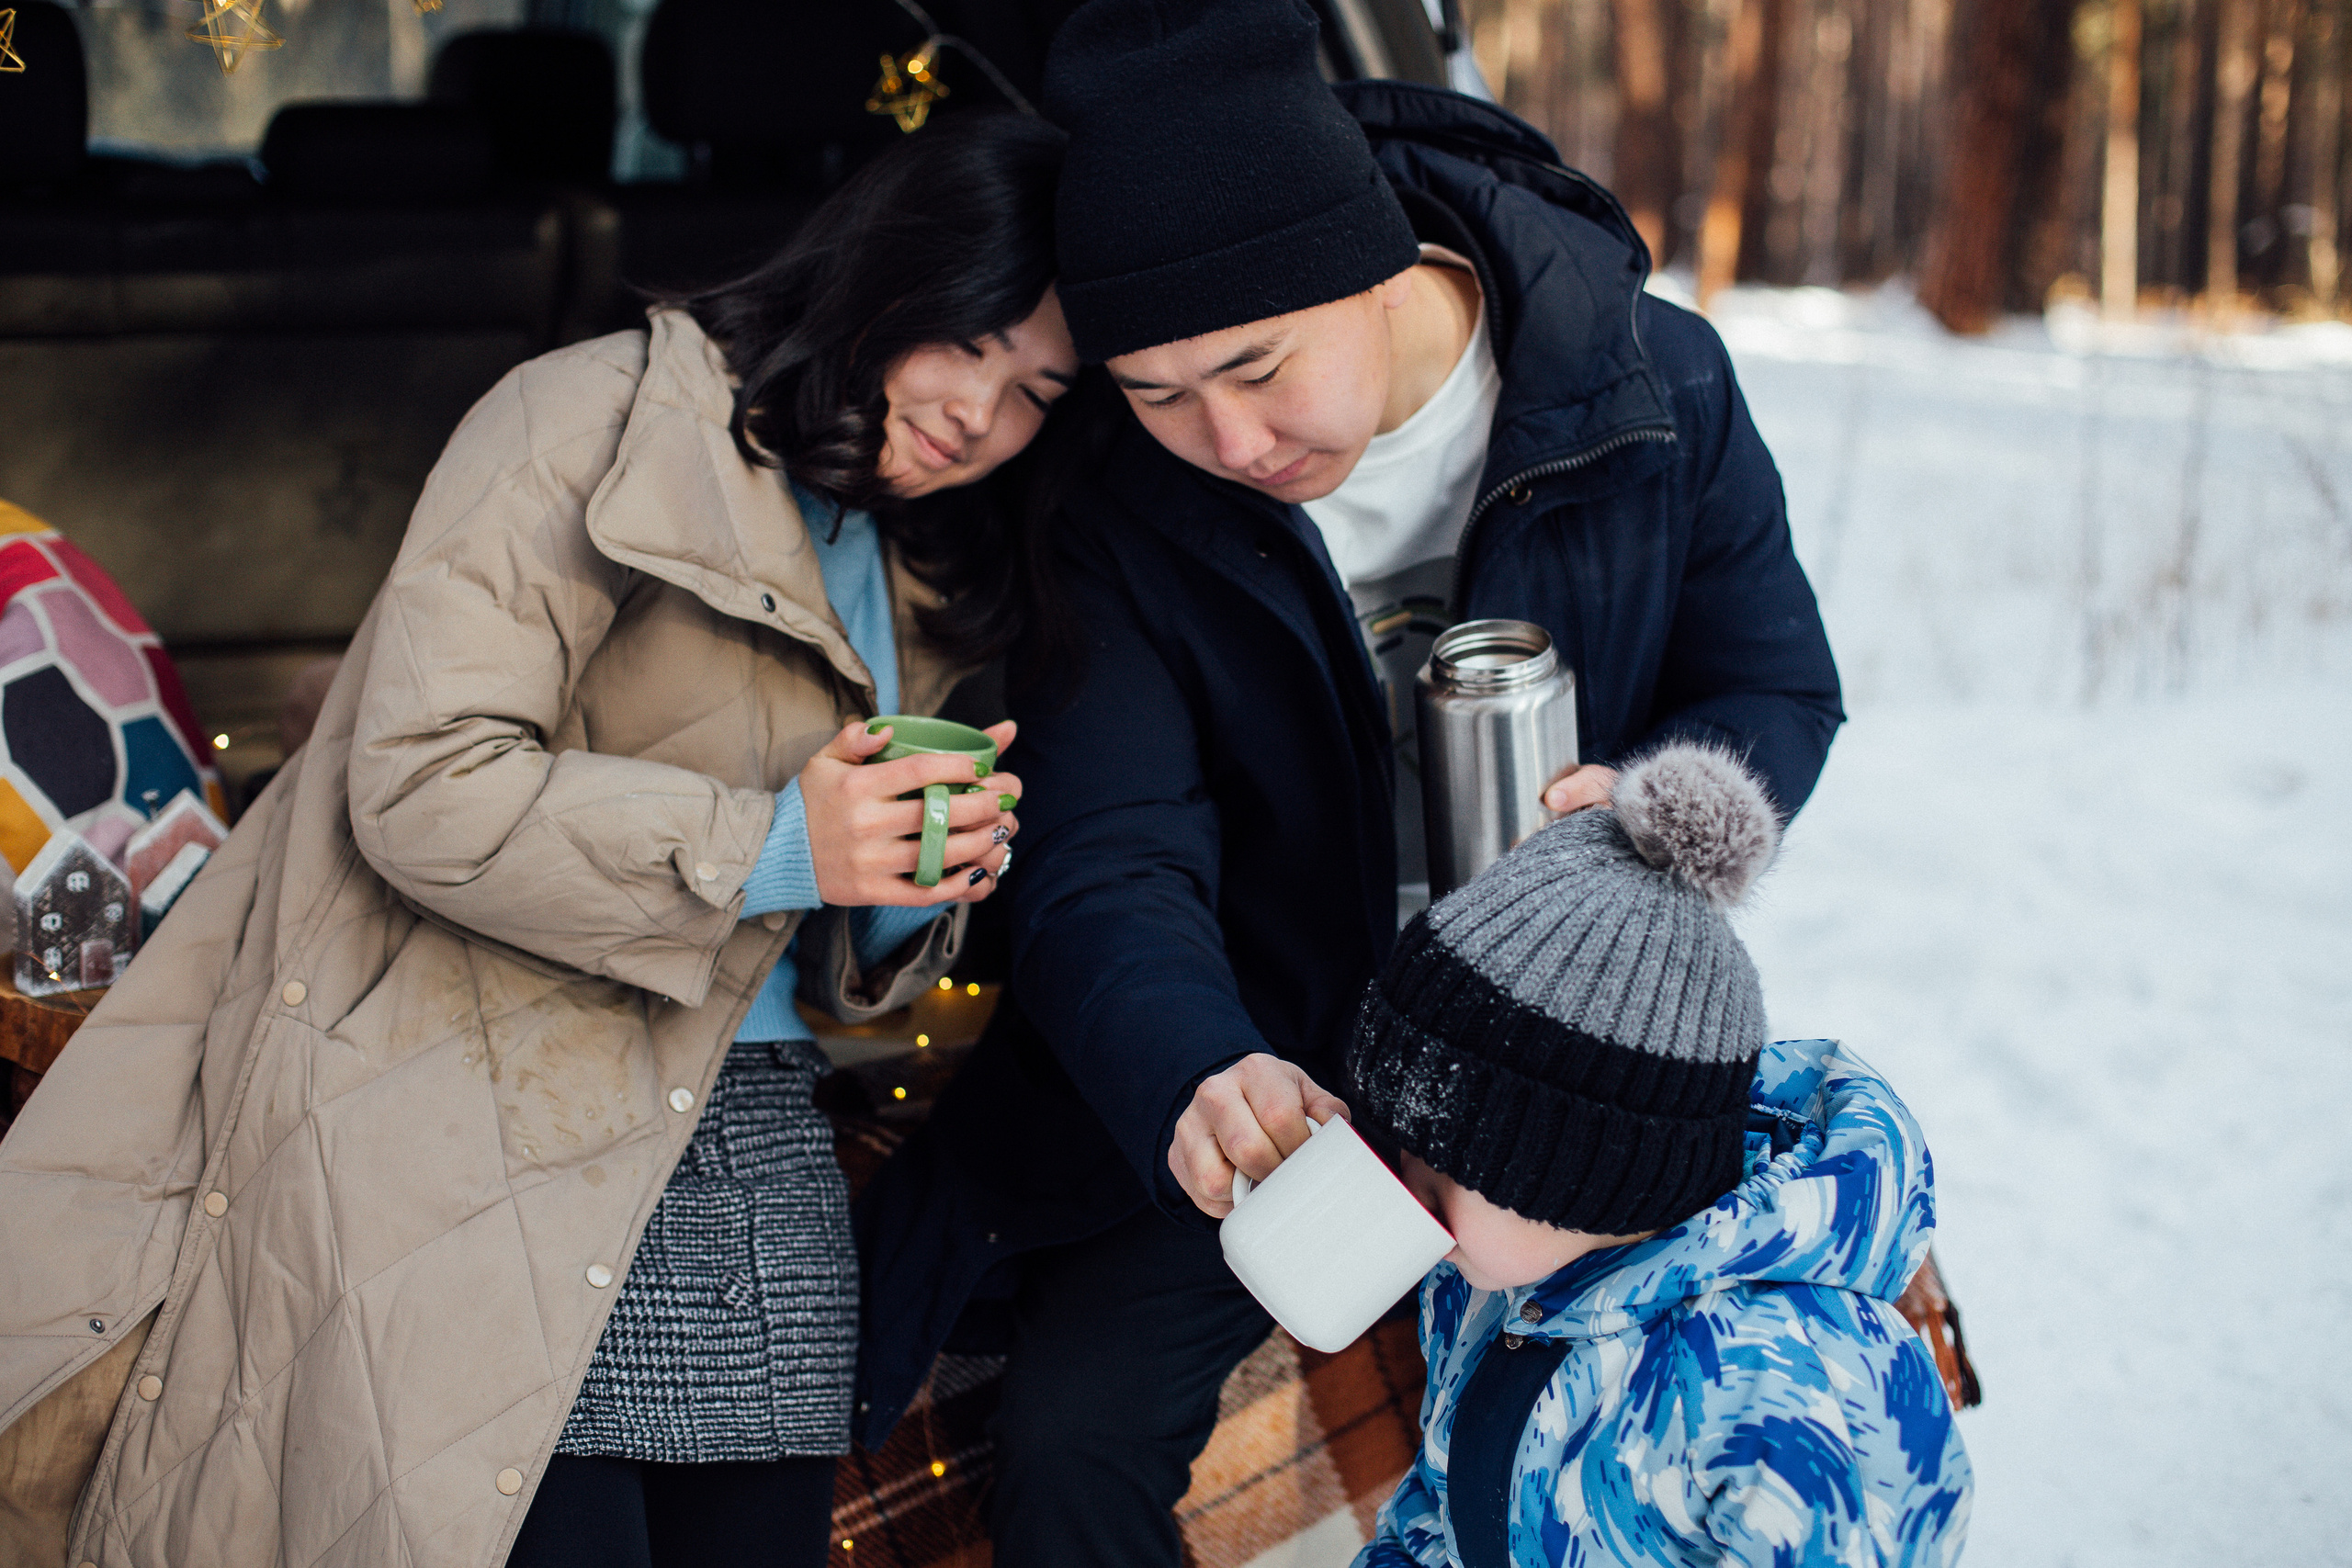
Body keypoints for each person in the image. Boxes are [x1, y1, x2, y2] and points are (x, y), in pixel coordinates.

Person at [0, 112, 1073, 1568]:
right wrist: (774, 842)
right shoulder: (583, 418)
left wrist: (902, 884)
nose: (981, 411)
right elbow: (421, 782)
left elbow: (818, 963)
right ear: (892, 272)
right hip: (490, 1111)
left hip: (752, 1155)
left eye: (1038, 393)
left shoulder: (914, 553)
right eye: (976, 340)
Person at [850, 1, 1845, 1562]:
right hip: (1288, 1068)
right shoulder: (1121, 498)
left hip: (1566, 1055)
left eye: (1254, 366)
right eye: (1156, 391)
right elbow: (1112, 856)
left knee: (1662, 1419)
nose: (1228, 438)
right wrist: (1200, 1069)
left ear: (1376, 261)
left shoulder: (1647, 386)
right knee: (1070, 1437)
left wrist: (1654, 812)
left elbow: (1775, 680)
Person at [1349, 742, 1971, 1567]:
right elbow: (1441, 1510)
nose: (1406, 1188)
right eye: (1405, 1144)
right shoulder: (1487, 1289)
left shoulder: (1779, 1391)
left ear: (1584, 1178)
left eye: (1445, 1164)